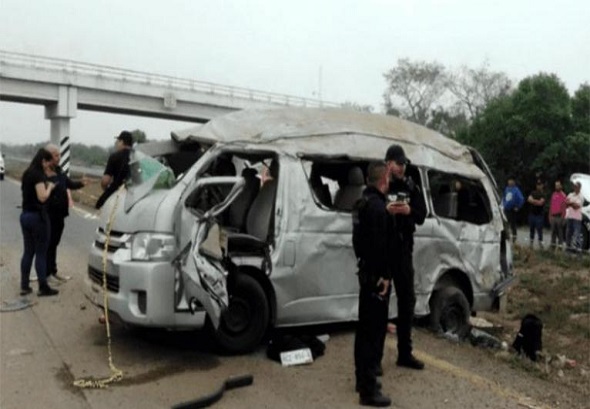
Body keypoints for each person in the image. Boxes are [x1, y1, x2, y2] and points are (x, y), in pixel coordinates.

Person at [352, 161, 392, 407]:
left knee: (363, 330)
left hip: (364, 271)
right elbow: (381, 246)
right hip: (375, 277)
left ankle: (361, 380)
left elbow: (360, 242)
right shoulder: (379, 208)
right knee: (373, 333)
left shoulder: (360, 203)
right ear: (383, 179)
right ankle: (368, 390)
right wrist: (385, 277)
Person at [385, 144, 427, 371]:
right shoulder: (381, 184)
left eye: (403, 164)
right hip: (383, 250)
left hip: (403, 250)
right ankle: (374, 358)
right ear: (388, 163)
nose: (401, 168)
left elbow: (422, 215)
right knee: (379, 304)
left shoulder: (411, 186)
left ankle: (405, 352)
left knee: (407, 301)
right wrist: (387, 210)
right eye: (397, 164)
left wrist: (408, 211)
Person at [44, 144, 89, 282]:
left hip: (60, 215)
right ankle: (46, 274)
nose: (59, 158)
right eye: (56, 155)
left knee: (54, 244)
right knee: (49, 244)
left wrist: (81, 183)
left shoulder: (59, 170)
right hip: (48, 215)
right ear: (48, 156)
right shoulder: (43, 173)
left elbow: (68, 184)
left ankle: (52, 271)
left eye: (59, 155)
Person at [19, 148, 59, 297]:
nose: (48, 166)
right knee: (41, 252)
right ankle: (43, 287)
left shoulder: (27, 173)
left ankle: (24, 285)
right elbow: (42, 197)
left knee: (28, 251)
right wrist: (50, 187)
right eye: (47, 163)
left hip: (25, 216)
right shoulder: (38, 175)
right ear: (43, 161)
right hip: (37, 218)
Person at [95, 131, 133, 209]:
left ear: (122, 142)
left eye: (118, 141)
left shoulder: (115, 156)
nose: (116, 144)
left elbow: (105, 181)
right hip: (133, 192)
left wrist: (105, 189)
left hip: (116, 189)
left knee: (98, 205)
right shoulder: (137, 157)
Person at [501, 177, 525, 243]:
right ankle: (505, 237)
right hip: (506, 209)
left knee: (513, 225)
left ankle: (514, 239)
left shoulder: (516, 190)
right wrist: (502, 205)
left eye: (511, 180)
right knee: (505, 224)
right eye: (509, 180)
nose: (510, 182)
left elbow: (521, 199)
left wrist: (518, 207)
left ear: (514, 182)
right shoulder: (506, 189)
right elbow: (504, 197)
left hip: (512, 210)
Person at [564, 181, 584, 252]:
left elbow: (576, 206)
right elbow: (565, 202)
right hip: (570, 216)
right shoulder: (570, 194)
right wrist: (572, 203)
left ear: (579, 188)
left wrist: (570, 203)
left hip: (577, 218)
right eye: (574, 186)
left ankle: (578, 249)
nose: (575, 188)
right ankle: (568, 247)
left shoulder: (581, 196)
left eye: (576, 187)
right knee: (568, 232)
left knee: (577, 233)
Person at [548, 180, 567, 250]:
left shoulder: (563, 195)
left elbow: (564, 208)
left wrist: (563, 218)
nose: (557, 187)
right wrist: (549, 216)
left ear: (561, 186)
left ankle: (560, 247)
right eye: (556, 185)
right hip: (553, 216)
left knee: (560, 233)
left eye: (558, 185)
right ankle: (552, 246)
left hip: (559, 216)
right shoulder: (553, 194)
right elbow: (551, 206)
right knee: (553, 232)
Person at [527, 180, 546, 249]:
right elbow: (529, 199)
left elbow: (541, 203)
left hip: (539, 215)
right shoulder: (533, 192)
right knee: (531, 229)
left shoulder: (543, 194)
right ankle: (531, 244)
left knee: (539, 230)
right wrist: (536, 201)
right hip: (532, 214)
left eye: (540, 185)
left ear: (542, 186)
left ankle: (540, 244)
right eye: (538, 185)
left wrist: (533, 201)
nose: (539, 186)